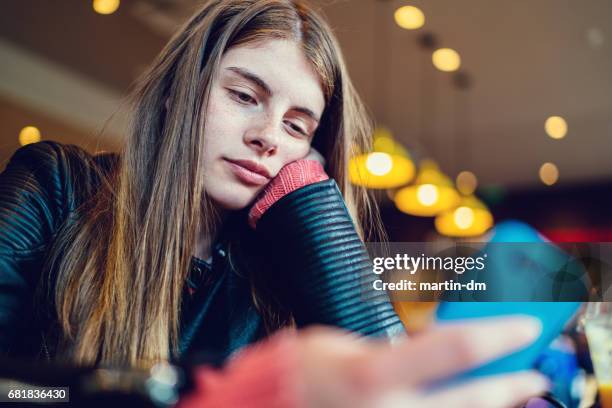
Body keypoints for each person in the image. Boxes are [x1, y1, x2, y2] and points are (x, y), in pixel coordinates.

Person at [0, 0, 549, 406]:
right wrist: (201, 392)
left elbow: (394, 386)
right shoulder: (55, 184)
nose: (268, 136)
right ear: (178, 92)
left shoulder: (272, 260)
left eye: (296, 125)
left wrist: (310, 203)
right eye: (243, 96)